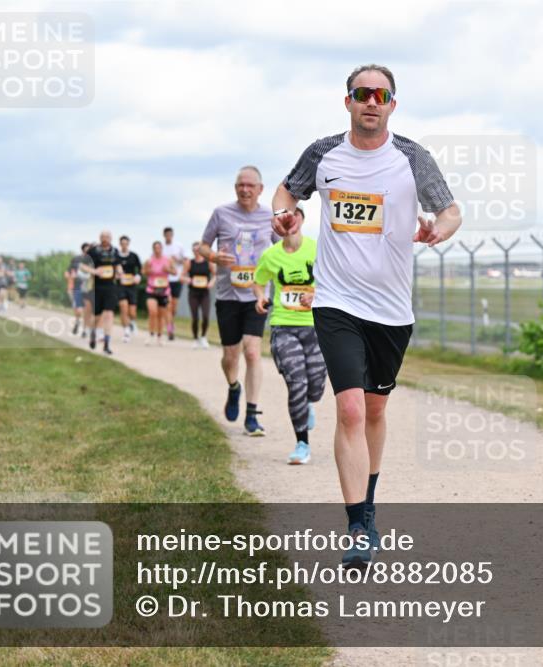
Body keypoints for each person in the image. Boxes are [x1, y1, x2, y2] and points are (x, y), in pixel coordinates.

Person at [272, 64, 461, 566]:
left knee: (375, 410)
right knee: (351, 409)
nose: (371, 102)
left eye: (381, 95)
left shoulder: (412, 157)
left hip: (391, 309)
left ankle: (369, 505)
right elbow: (287, 192)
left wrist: (439, 229)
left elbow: (450, 210)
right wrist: (283, 214)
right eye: (362, 94)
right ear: (348, 102)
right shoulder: (323, 153)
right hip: (335, 301)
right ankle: (357, 526)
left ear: (393, 104)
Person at [200, 166, 278, 436]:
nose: (245, 190)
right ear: (235, 188)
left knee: (253, 351)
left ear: (260, 189)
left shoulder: (269, 216)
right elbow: (202, 246)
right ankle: (234, 387)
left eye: (250, 185)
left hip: (257, 295)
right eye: (240, 185)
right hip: (227, 295)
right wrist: (213, 257)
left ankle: (252, 414)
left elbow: (283, 247)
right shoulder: (221, 213)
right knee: (230, 356)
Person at [253, 208, 326, 465]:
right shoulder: (271, 255)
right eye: (283, 217)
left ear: (301, 219)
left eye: (294, 215)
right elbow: (259, 281)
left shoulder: (318, 249)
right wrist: (260, 297)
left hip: (316, 327)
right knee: (297, 382)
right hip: (283, 327)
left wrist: (316, 295)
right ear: (277, 223)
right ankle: (302, 443)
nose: (289, 220)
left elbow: (336, 280)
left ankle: (308, 403)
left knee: (315, 387)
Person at [86, 231, 123, 355]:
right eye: (102, 237)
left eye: (107, 237)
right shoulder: (94, 251)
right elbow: (82, 265)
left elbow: (118, 265)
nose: (105, 239)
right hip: (97, 287)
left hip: (111, 287)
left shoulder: (115, 251)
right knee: (97, 316)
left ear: (111, 238)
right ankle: (93, 333)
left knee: (109, 314)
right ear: (100, 238)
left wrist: (120, 271)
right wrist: (94, 271)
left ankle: (107, 344)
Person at [185, 241, 216, 349]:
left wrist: (211, 282)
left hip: (204, 293)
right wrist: (188, 279)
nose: (196, 252)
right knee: (195, 317)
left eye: (198, 250)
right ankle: (195, 339)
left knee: (206, 316)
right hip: (193, 293)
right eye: (194, 250)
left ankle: (203, 337)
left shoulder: (208, 262)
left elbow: (215, 275)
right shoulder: (189, 262)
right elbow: (182, 276)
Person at [143, 241, 175, 345]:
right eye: (155, 248)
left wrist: (168, 270)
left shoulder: (168, 260)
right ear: (153, 249)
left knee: (161, 315)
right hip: (152, 289)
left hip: (164, 291)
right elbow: (143, 272)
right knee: (152, 312)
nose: (157, 250)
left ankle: (160, 336)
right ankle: (150, 334)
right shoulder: (149, 260)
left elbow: (175, 272)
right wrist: (148, 271)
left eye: (159, 248)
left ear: (162, 249)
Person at [162, 226, 187, 341]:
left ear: (172, 235)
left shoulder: (179, 246)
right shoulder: (161, 247)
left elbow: (186, 261)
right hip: (165, 280)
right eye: (167, 235)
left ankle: (171, 323)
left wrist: (177, 260)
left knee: (174, 308)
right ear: (164, 235)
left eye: (170, 235)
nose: (169, 237)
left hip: (176, 279)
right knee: (168, 305)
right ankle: (170, 330)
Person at [116, 235, 142, 342]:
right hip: (121, 286)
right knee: (123, 307)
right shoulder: (116, 256)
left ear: (128, 244)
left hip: (131, 286)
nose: (124, 245)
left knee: (132, 312)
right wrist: (116, 275)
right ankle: (126, 331)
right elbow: (111, 268)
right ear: (120, 244)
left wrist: (138, 276)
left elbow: (140, 269)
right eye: (122, 243)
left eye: (126, 243)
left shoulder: (134, 256)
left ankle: (133, 322)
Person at [66, 243, 91, 336]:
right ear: (83, 250)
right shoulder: (76, 259)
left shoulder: (94, 260)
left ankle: (85, 330)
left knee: (87, 310)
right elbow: (68, 273)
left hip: (89, 288)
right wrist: (70, 284)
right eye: (86, 250)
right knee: (79, 310)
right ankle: (77, 322)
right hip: (77, 287)